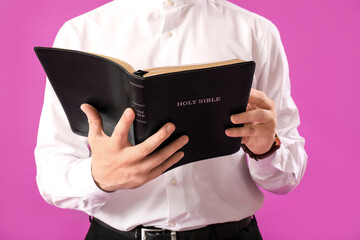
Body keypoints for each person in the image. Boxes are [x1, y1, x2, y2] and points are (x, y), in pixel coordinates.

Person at [35, 0, 307, 239]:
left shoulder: (256, 32)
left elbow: (286, 180)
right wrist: (98, 177)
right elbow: (51, 172)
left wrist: (267, 148)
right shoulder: (80, 35)